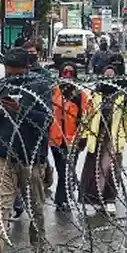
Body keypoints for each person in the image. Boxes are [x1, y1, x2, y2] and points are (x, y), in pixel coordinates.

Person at [0, 48, 53, 253]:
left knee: (36, 209)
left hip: (31, 157)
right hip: (4, 155)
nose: (13, 76)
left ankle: (39, 251)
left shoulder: (40, 87)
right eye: (9, 71)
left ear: (26, 68)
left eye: (16, 72)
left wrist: (21, 110)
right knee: (0, 207)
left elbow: (47, 120)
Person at [78, 61, 127, 216]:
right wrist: (82, 136)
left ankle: (110, 199)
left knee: (110, 168)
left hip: (113, 137)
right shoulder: (95, 94)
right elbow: (88, 116)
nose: (109, 77)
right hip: (96, 136)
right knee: (94, 169)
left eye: (112, 75)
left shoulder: (123, 97)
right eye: (106, 74)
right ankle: (95, 199)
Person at [49, 63, 87, 212]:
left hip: (73, 140)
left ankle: (62, 198)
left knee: (67, 170)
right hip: (56, 139)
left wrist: (82, 137)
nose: (68, 75)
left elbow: (86, 116)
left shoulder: (80, 94)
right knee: (62, 170)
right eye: (65, 72)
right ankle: (63, 198)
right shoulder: (54, 91)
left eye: (71, 73)